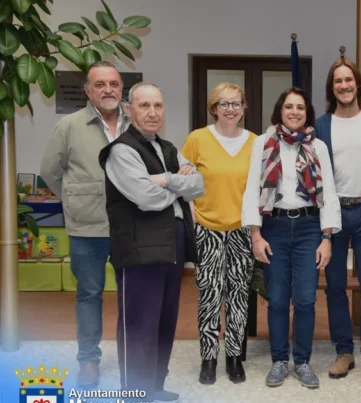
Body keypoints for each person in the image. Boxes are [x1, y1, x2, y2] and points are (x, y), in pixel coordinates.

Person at [98, 82, 204, 402]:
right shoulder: (121, 150)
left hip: (172, 243)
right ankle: (134, 393)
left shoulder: (168, 148)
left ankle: (155, 386)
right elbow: (146, 198)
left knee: (164, 321)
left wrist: (167, 179)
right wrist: (176, 183)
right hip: (139, 247)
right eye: (144, 106)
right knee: (139, 325)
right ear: (128, 110)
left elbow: (198, 185)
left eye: (158, 106)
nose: (152, 112)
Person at [39, 60, 132, 388]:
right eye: (100, 84)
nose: (108, 90)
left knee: (132, 296)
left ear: (121, 88)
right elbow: (51, 170)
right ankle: (89, 361)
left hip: (131, 228)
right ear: (88, 91)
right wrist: (75, 196)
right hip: (87, 229)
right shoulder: (70, 126)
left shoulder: (137, 121)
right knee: (89, 294)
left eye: (114, 84)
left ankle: (131, 358)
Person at [242, 87, 341, 389]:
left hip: (310, 227)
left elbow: (330, 193)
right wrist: (256, 235)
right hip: (274, 227)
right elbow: (251, 189)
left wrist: (327, 238)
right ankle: (279, 361)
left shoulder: (318, 146)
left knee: (306, 299)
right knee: (278, 299)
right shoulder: (262, 143)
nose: (295, 112)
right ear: (280, 111)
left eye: (300, 107)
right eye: (289, 106)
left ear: (306, 113)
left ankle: (303, 361)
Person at [315, 58, 361, 382]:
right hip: (332, 214)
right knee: (334, 287)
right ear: (332, 88)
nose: (344, 85)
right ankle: (344, 351)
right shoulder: (320, 125)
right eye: (337, 81)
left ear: (357, 84)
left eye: (349, 80)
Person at [180, 83, 257, 385]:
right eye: (223, 103)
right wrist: (192, 213)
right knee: (210, 296)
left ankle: (234, 357)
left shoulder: (255, 142)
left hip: (241, 230)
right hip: (208, 230)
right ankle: (208, 357)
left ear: (243, 107)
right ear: (213, 108)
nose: (230, 109)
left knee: (238, 297)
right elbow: (183, 180)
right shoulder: (197, 139)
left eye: (236, 103)